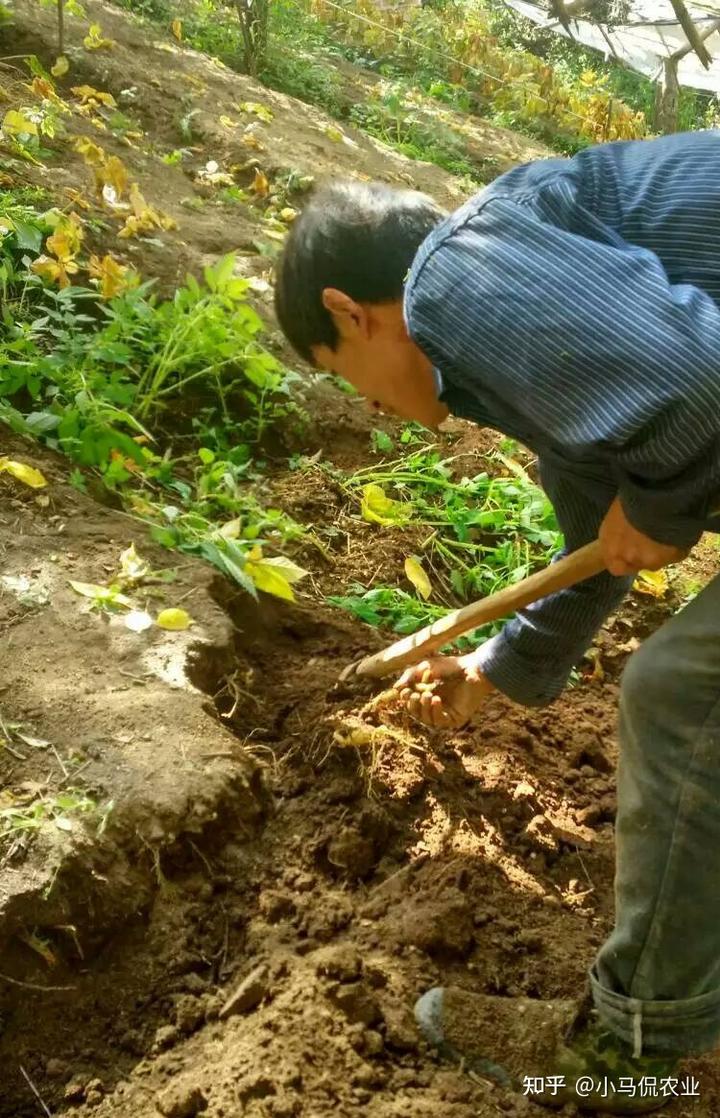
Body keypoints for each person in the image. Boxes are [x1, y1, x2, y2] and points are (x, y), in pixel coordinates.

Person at [274, 130, 720, 1112]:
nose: (374, 407)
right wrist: (492, 667)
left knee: (684, 692)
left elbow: (698, 393)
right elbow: (595, 536)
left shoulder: (454, 278)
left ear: (350, 312)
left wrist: (658, 504)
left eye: (343, 370)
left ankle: (629, 1048)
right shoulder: (525, 296)